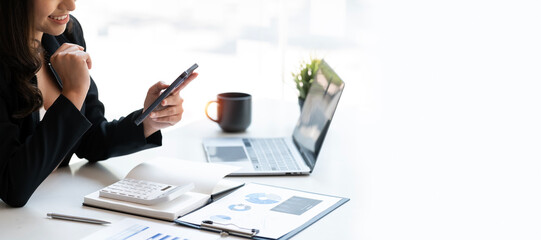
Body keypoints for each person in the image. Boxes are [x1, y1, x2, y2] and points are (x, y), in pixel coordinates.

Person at [0, 0, 198, 207]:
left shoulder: (64, 33)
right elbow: (13, 186)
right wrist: (73, 93)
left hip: (52, 204)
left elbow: (89, 138)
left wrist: (148, 121)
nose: (70, 5)